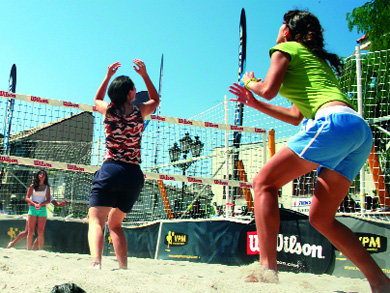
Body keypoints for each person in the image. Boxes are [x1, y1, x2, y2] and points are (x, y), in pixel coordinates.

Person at [229, 10, 390, 292]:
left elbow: (267, 89)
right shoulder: (316, 61)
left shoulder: (283, 48)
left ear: (287, 32)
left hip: (333, 124)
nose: (278, 30)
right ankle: (380, 282)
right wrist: (255, 105)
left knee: (263, 183)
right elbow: (294, 115)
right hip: (358, 131)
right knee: (320, 218)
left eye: (281, 26)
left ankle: (267, 268)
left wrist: (248, 82)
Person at [88, 59, 159, 269]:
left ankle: (96, 263)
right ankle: (123, 267)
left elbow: (96, 98)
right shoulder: (139, 112)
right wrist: (145, 74)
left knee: (97, 220)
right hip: (133, 175)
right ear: (129, 93)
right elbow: (155, 99)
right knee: (116, 224)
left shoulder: (109, 111)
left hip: (111, 170)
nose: (136, 91)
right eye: (134, 89)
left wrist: (108, 75)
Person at [25, 170, 51, 250]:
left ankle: (40, 250)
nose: (42, 175)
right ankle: (28, 249)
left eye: (44, 174)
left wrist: (40, 204)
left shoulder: (47, 187)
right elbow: (27, 198)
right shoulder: (32, 186)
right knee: (30, 231)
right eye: (40, 174)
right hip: (33, 208)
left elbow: (48, 200)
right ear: (37, 175)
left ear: (45, 177)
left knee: (40, 231)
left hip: (42, 209)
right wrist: (34, 203)